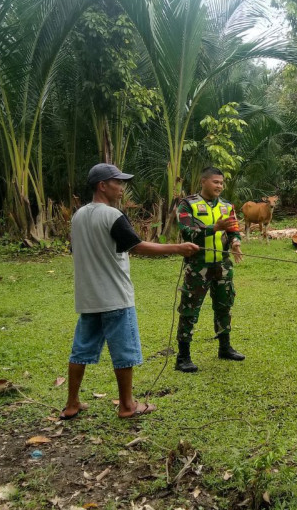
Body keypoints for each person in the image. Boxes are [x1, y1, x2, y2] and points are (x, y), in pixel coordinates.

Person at [61, 163, 200, 420]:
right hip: (115, 296)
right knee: (123, 352)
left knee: (80, 350)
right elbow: (136, 247)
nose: (122, 188)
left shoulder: (78, 216)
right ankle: (127, 405)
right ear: (103, 185)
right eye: (117, 182)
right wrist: (178, 248)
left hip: (87, 298)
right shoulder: (112, 216)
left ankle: (71, 404)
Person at [174, 166, 244, 373]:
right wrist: (214, 228)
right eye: (216, 182)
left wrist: (235, 243)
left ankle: (225, 347)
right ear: (203, 181)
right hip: (197, 266)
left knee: (224, 306)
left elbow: (234, 230)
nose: (220, 186)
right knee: (189, 310)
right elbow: (186, 232)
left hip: (222, 265)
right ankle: (183, 357)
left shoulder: (226, 206)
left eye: (222, 183)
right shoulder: (187, 204)